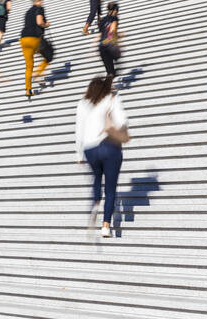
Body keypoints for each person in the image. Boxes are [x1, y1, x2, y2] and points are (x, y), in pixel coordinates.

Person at [75, 76, 128, 238]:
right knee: (110, 188)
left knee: (97, 178)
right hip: (108, 145)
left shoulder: (83, 103)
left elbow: (79, 130)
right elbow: (122, 121)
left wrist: (78, 153)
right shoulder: (112, 98)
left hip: (90, 149)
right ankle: (106, 226)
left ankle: (95, 203)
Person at [20, 0, 51, 99]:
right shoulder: (39, 9)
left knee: (29, 66)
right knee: (48, 56)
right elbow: (39, 22)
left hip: (24, 39)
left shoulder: (28, 11)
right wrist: (46, 24)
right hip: (34, 38)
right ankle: (37, 74)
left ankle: (28, 90)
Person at [98, 2, 120, 77]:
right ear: (114, 10)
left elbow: (101, 35)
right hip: (109, 46)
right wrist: (115, 43)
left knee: (110, 72)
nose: (117, 12)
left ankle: (109, 85)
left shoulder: (102, 20)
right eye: (117, 11)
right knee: (114, 69)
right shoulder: (114, 18)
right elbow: (112, 31)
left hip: (102, 47)